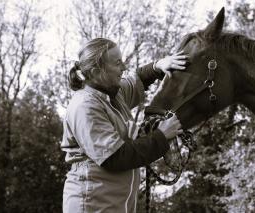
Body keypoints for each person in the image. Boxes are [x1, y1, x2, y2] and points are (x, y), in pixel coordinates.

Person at [61, 38, 188, 213]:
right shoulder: (86, 106)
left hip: (112, 205)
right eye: (118, 63)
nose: (124, 67)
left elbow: (136, 80)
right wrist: (162, 136)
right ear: (98, 70)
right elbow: (115, 157)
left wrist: (158, 66)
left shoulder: (111, 94)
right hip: (92, 205)